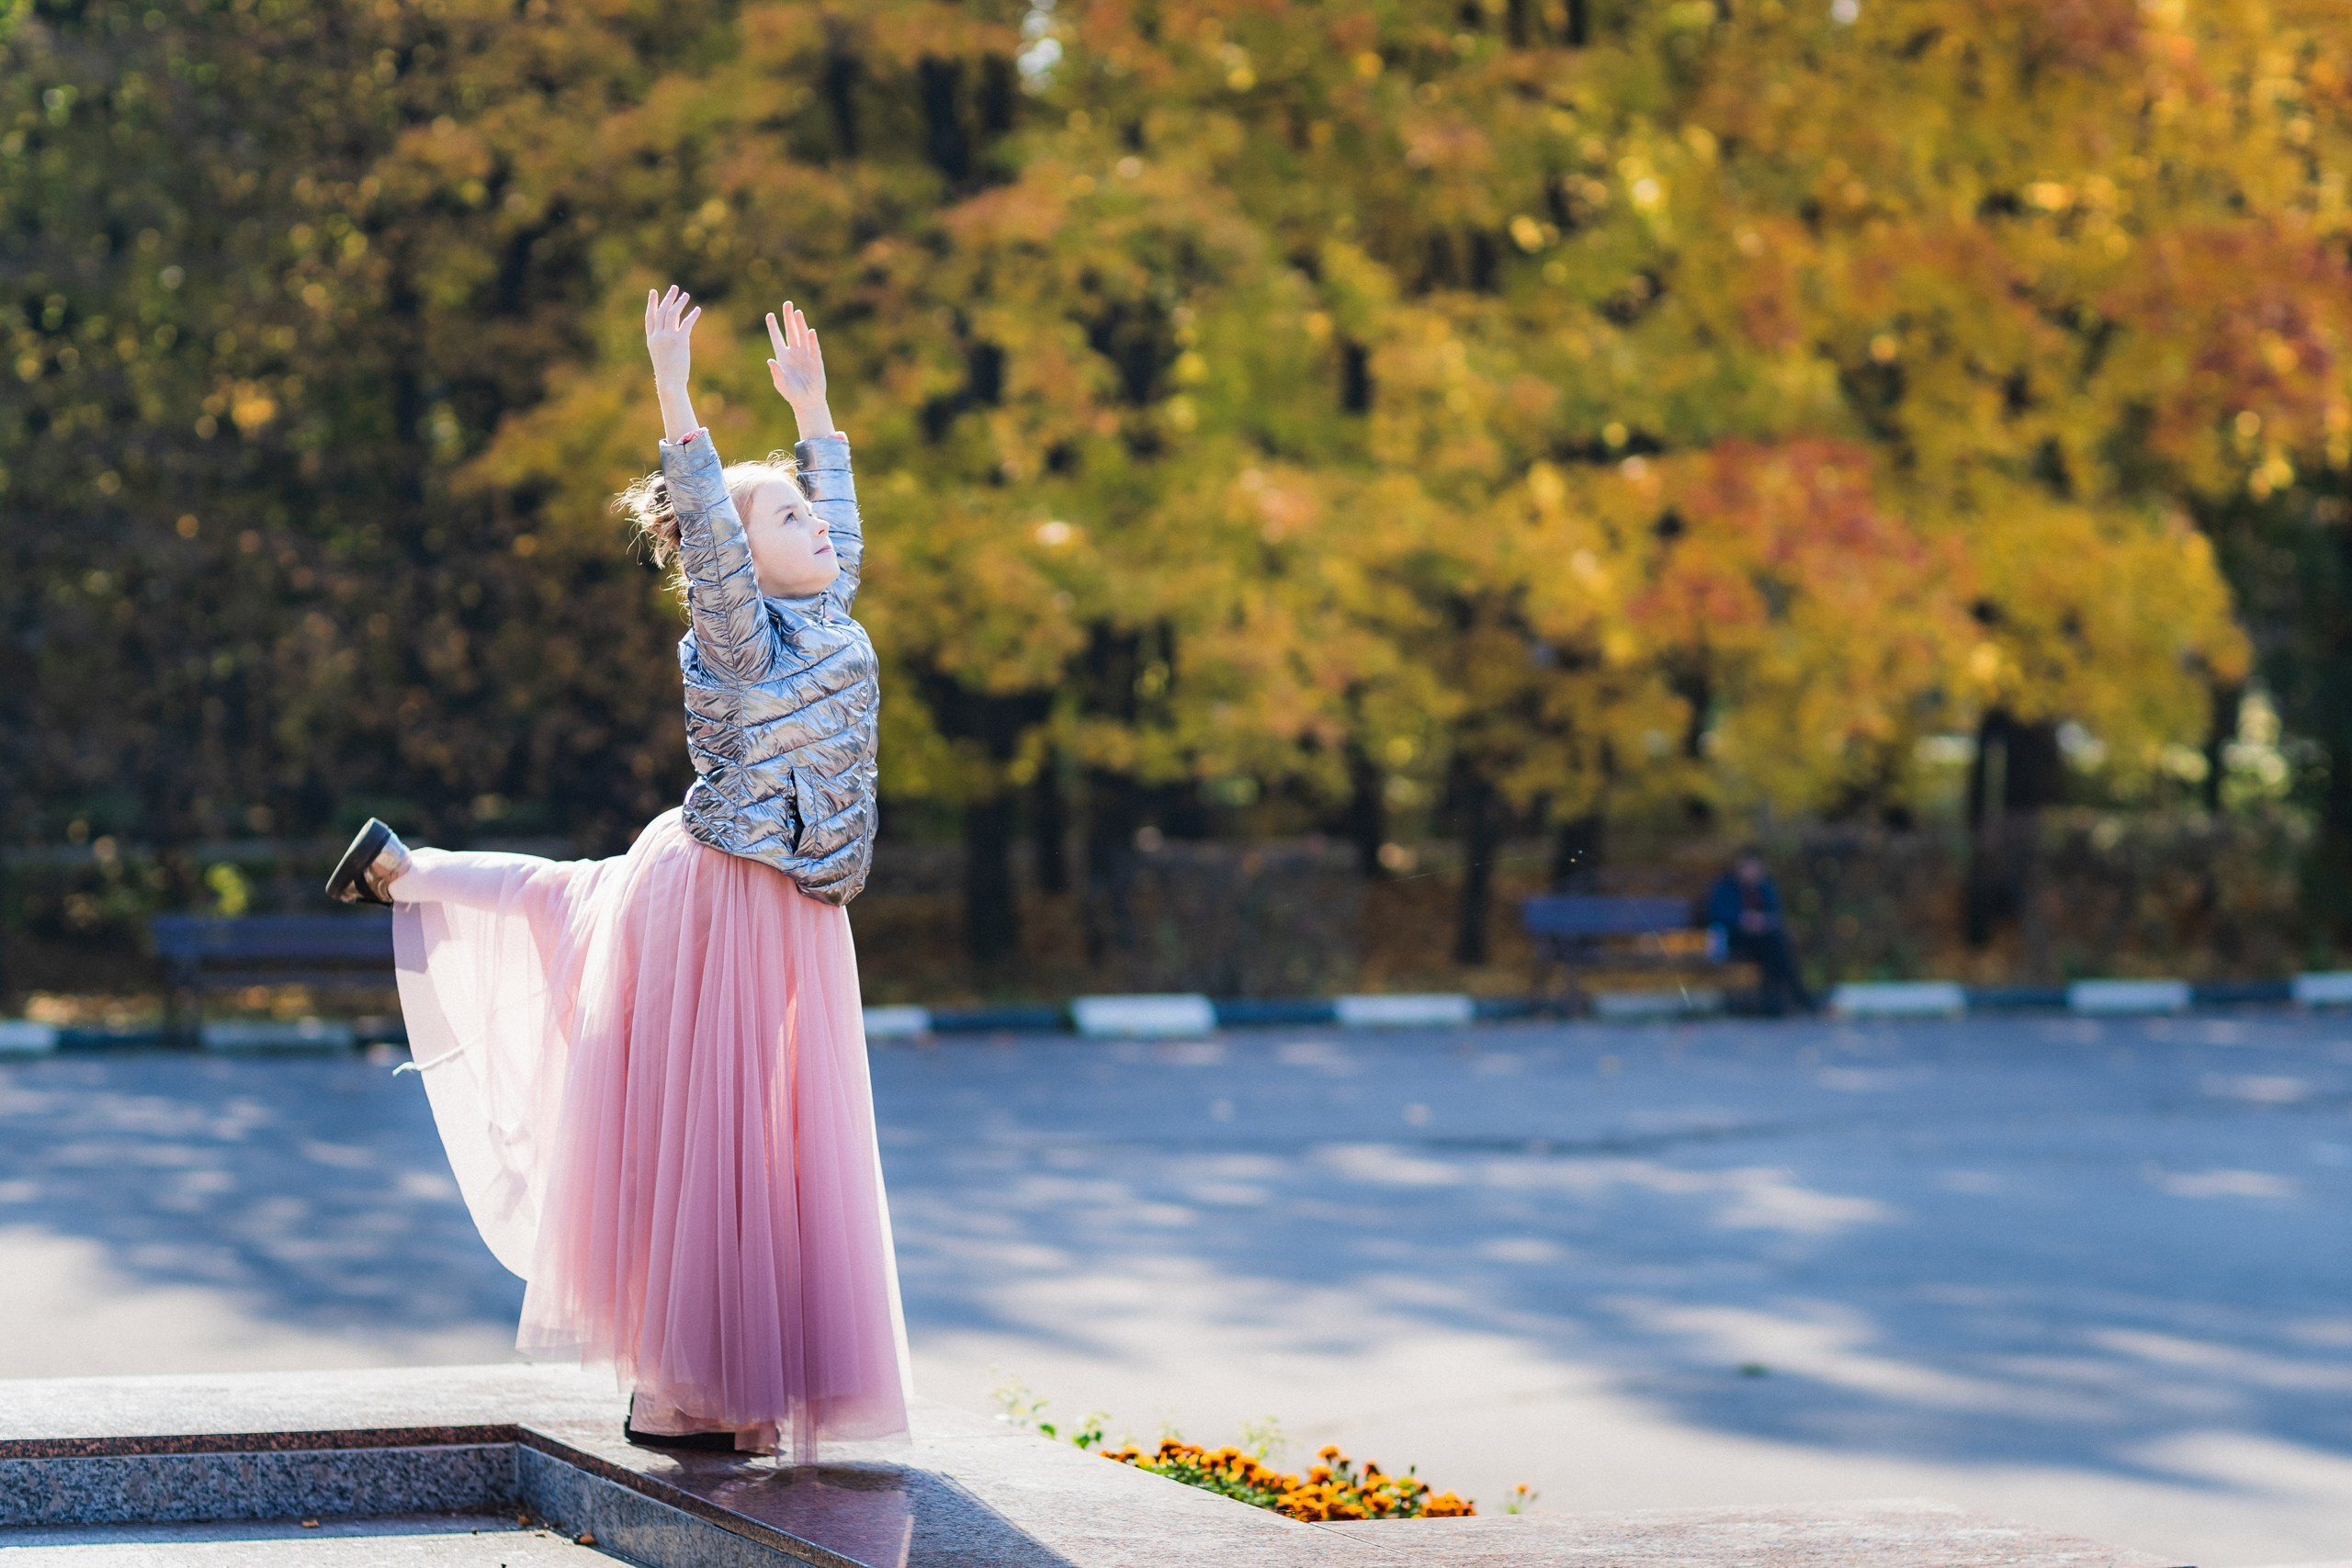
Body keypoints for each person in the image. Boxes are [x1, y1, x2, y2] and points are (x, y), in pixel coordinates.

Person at [321, 288, 910, 1458]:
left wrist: (816, 414)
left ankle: (405, 866)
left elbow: (826, 519)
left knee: (579, 916)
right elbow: (717, 537)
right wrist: (675, 398)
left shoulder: (826, 619)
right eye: (789, 520)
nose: (819, 528)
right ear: (736, 561)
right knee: (717, 1131)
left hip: (796, 900)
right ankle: (682, 1387)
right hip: (726, 893)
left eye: (812, 514)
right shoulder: (738, 635)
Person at [1705, 847, 1814, 1016]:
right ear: (1739, 868)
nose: (1751, 871)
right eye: (1747, 867)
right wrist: (1742, 920)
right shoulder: (1725, 888)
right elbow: (1716, 915)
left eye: (1754, 867)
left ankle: (1774, 1004)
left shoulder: (1765, 887)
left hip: (1762, 939)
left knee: (1777, 948)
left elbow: (1775, 914)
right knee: (1777, 948)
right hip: (1735, 939)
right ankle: (1797, 1000)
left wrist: (1762, 921)